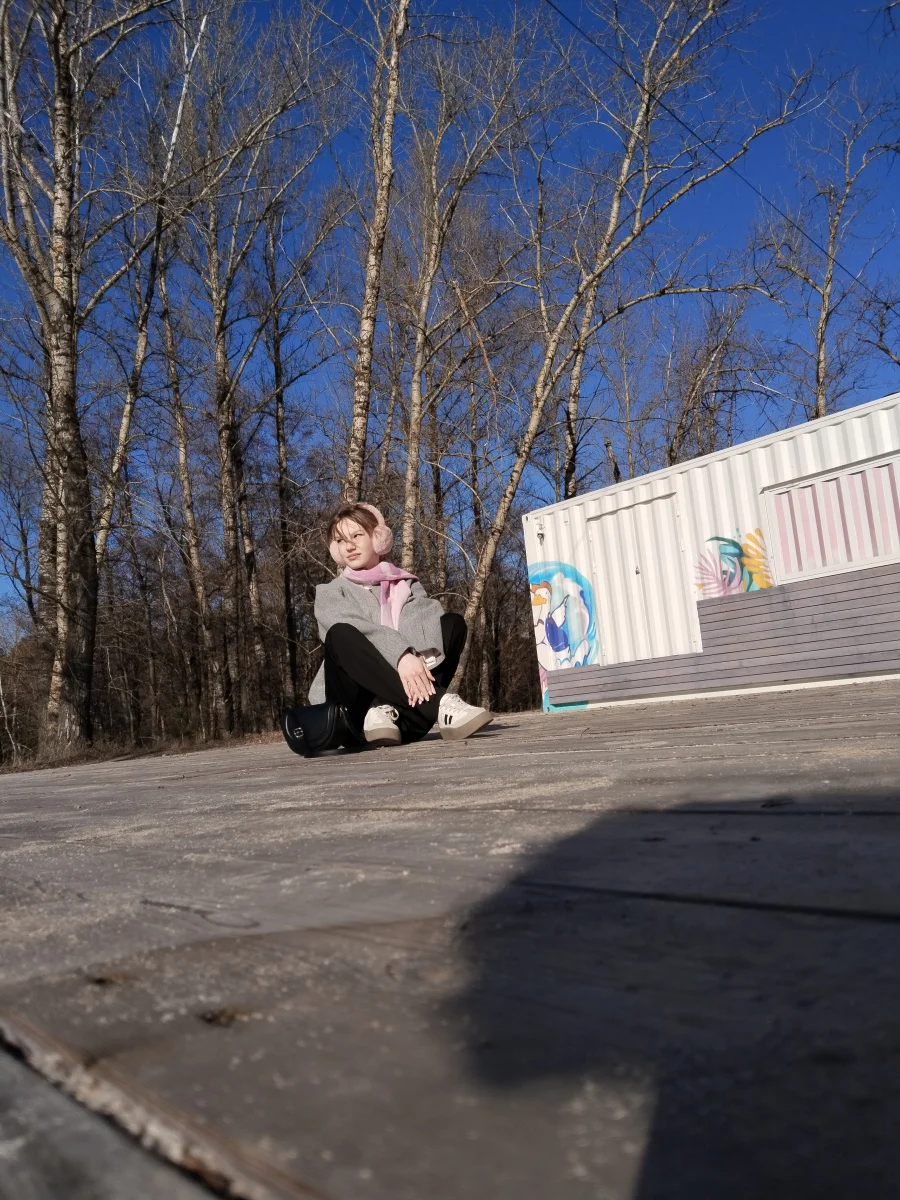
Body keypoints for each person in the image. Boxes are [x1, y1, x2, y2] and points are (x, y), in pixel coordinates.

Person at [306, 502, 494, 748]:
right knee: (341, 633)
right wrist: (401, 656)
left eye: (357, 535)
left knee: (451, 624)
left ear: (379, 538)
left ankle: (395, 709)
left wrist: (414, 655)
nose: (349, 546)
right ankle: (439, 704)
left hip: (402, 722)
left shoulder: (406, 585)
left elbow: (424, 619)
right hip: (354, 716)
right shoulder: (330, 592)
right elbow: (355, 628)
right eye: (341, 541)